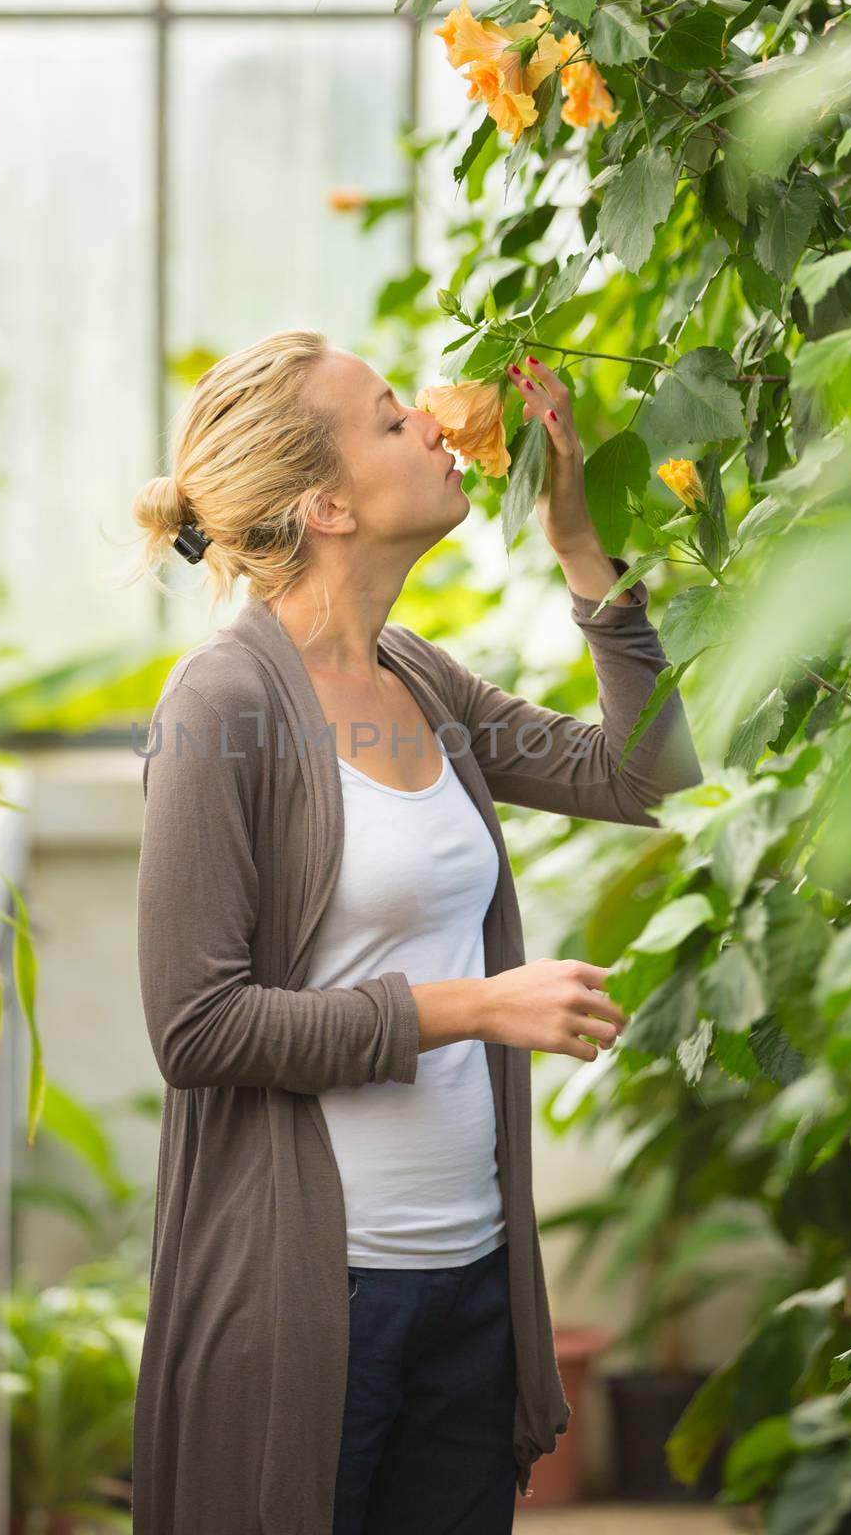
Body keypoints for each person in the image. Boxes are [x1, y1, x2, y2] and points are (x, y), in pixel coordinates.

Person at [129, 329, 703, 1534]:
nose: (435, 426)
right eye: (392, 419)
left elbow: (642, 777)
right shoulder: (220, 703)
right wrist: (473, 1007)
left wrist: (579, 548)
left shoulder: (416, 678)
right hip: (313, 1302)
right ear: (327, 502)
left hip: (471, 1285)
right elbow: (196, 1022)